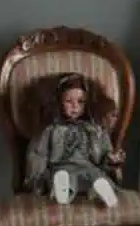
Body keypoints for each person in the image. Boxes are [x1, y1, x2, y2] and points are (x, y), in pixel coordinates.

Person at [24, 74, 123, 207]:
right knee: (63, 176)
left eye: (80, 102)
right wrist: (37, 178)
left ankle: (104, 192)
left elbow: (104, 154)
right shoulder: (51, 129)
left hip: (88, 167)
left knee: (97, 176)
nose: (75, 107)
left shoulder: (95, 129)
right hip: (61, 167)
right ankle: (63, 193)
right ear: (58, 102)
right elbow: (38, 153)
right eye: (69, 101)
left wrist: (111, 159)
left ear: (88, 104)